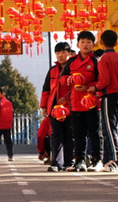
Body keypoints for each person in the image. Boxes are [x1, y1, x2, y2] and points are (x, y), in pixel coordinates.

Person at [61, 31, 102, 173]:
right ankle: (79, 161)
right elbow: (62, 78)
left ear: (93, 44)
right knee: (78, 135)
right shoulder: (71, 61)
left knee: (94, 133)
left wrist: (90, 88)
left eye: (89, 42)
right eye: (83, 42)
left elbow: (102, 81)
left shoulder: (96, 61)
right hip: (75, 103)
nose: (85, 45)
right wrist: (69, 80)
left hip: (91, 103)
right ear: (77, 44)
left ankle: (97, 160)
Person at [40, 42, 74, 172]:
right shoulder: (53, 70)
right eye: (58, 53)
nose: (60, 55)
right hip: (54, 109)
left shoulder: (73, 68)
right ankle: (56, 163)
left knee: (69, 136)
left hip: (70, 108)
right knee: (56, 136)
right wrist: (44, 106)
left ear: (69, 53)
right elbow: (46, 89)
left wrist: (67, 98)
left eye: (63, 52)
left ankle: (69, 162)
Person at [96, 29, 118, 171]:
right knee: (114, 128)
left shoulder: (103, 59)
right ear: (115, 42)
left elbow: (104, 80)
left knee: (109, 128)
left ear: (101, 42)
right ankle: (109, 160)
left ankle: (116, 159)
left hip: (108, 95)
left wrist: (94, 88)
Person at [0, 88, 14, 161]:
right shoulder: (9, 103)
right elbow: (12, 114)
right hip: (8, 125)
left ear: (2, 93)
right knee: (8, 141)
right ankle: (10, 156)